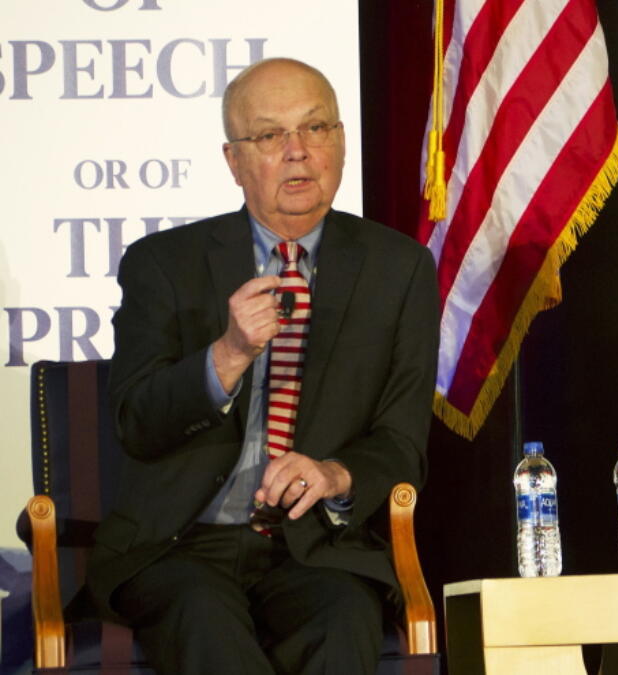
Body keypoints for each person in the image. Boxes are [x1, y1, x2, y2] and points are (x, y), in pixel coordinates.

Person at [85, 57, 440, 675]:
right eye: (271, 135)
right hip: (181, 543)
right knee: (205, 622)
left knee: (343, 621)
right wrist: (226, 356)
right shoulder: (164, 264)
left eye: (317, 128)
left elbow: (401, 441)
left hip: (315, 547)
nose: (299, 152)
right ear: (234, 160)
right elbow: (135, 422)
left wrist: (333, 473)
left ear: (341, 142)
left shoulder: (399, 268)